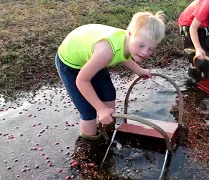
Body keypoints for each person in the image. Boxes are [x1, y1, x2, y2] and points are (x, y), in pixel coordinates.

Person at [55, 11, 166, 139]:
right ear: (129, 34)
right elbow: (81, 80)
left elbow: (122, 55)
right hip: (70, 64)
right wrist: (100, 109)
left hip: (91, 57)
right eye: (141, 45)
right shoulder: (106, 53)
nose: (145, 52)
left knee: (108, 94)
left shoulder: (127, 43)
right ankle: (90, 142)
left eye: (151, 48)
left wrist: (138, 70)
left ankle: (108, 131)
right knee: (88, 112)